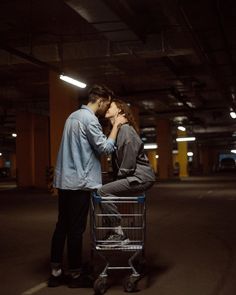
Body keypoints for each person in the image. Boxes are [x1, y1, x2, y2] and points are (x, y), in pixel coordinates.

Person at [48, 85, 127, 288]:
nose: (106, 107)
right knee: (76, 229)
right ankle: (75, 275)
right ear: (100, 101)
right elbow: (104, 148)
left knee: (62, 226)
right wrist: (117, 126)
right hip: (80, 183)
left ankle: (56, 272)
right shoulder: (90, 119)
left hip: (65, 181)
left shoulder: (72, 116)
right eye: (107, 104)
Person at [97, 99, 156, 245]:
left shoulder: (125, 130)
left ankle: (118, 233)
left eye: (111, 106)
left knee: (103, 192)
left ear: (120, 111)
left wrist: (119, 177)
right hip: (136, 176)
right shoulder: (118, 130)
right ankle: (114, 230)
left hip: (141, 177)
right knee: (105, 191)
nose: (107, 108)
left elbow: (129, 158)